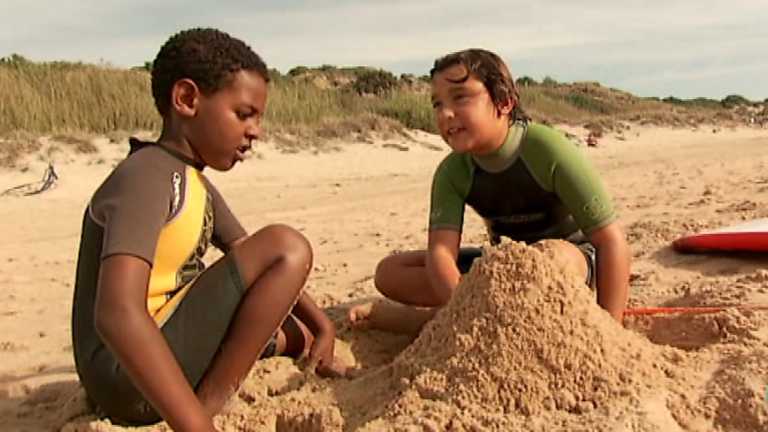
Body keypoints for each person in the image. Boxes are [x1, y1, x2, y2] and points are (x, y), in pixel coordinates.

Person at [71, 28, 346, 431]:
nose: (256, 131)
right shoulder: (145, 176)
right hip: (125, 376)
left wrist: (322, 326)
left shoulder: (194, 182)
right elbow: (116, 313)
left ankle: (216, 389)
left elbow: (248, 254)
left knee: (291, 331)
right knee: (287, 245)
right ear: (186, 99)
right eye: (244, 114)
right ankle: (206, 407)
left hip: (163, 344)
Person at [349, 48, 630, 334]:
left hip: (571, 262)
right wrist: (464, 305)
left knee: (550, 257)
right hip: (502, 266)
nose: (445, 113)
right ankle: (469, 318)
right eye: (437, 104)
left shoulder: (546, 149)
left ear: (504, 101)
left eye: (460, 97)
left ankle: (422, 321)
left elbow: (610, 241)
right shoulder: (453, 171)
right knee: (390, 272)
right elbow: (441, 253)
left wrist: (610, 327)